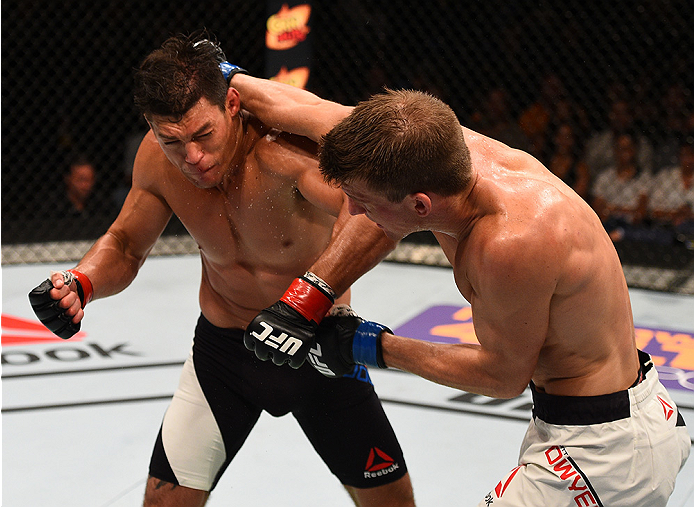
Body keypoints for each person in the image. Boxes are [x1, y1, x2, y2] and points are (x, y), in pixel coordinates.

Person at [229, 74, 690, 506]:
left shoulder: (508, 243)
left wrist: (367, 345)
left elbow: (502, 375)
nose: (351, 210)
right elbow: (295, 105)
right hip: (605, 417)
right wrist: (222, 74)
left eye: (364, 203)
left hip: (604, 450)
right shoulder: (431, 150)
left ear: (420, 205)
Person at [28, 32, 415, 507]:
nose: (192, 156)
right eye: (172, 140)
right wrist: (81, 281)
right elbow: (126, 244)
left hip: (318, 345)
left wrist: (309, 299)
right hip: (225, 351)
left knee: (390, 504)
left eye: (202, 134)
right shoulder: (158, 158)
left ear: (232, 103)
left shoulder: (284, 152)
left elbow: (375, 213)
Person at [590, 132, 651, 242]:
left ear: (635, 149)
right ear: (614, 150)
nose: (624, 152)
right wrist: (626, 211)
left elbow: (640, 213)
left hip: (630, 227)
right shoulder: (605, 176)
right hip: (607, 223)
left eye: (628, 148)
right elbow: (597, 209)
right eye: (620, 148)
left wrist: (611, 209)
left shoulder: (643, 178)